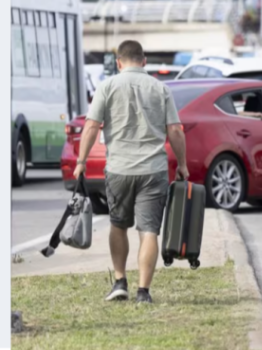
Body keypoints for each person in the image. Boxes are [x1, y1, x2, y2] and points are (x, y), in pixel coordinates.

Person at [74, 40, 188, 304]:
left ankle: (119, 281)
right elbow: (175, 130)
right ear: (144, 61)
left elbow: (91, 126)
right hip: (153, 170)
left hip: (119, 169)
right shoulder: (161, 89)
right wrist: (182, 164)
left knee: (118, 224)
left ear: (119, 62)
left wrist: (81, 161)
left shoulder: (107, 86)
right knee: (149, 230)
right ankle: (143, 292)